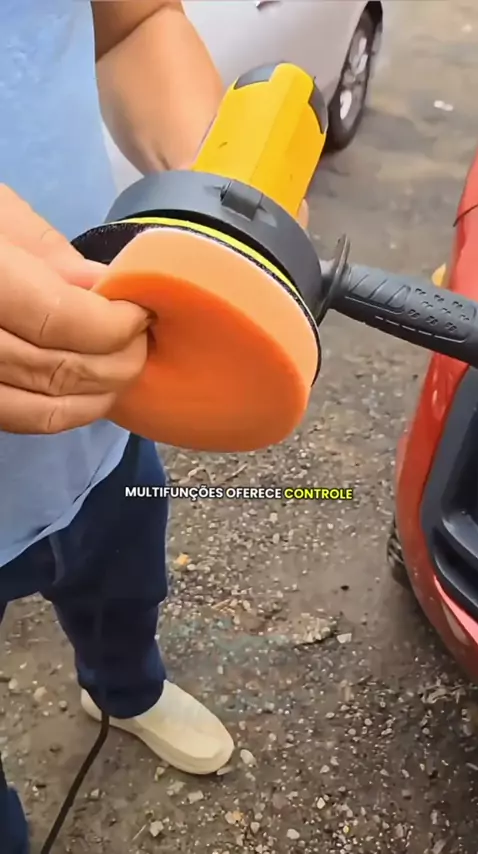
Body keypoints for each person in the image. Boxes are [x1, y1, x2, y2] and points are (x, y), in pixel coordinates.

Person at [0, 2, 234, 851]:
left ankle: (125, 691)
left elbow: (133, 21)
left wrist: (220, 197)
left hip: (106, 431)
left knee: (124, 589)